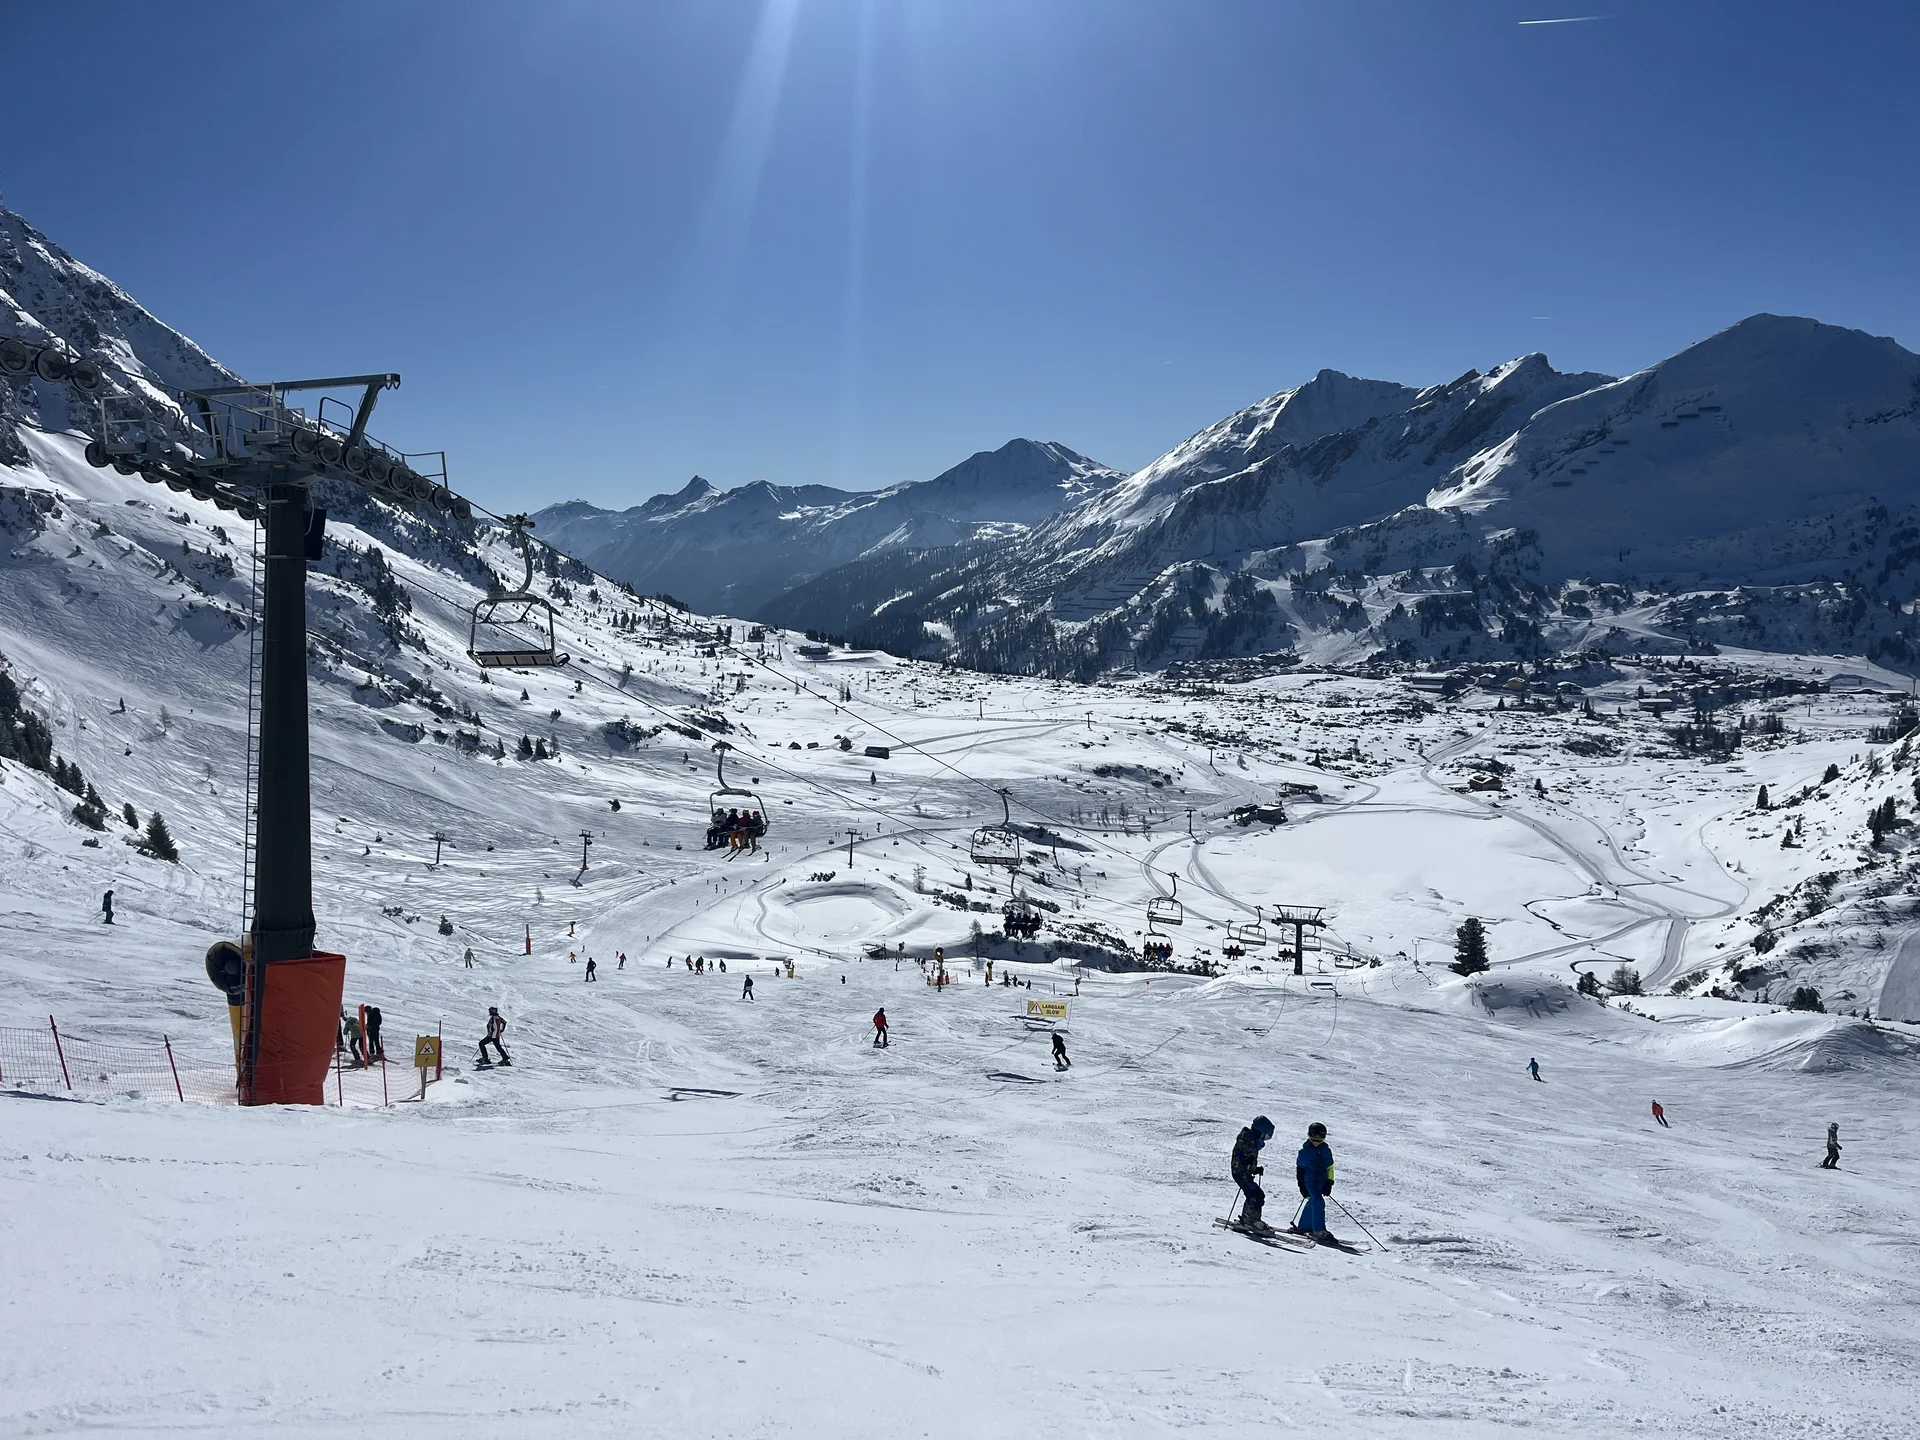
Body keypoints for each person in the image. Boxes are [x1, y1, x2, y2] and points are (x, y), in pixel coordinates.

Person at [1230, 1116, 1275, 1231]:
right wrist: (1247, 1164)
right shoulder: (1248, 1142)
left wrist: (1254, 1169)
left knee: (1253, 1194)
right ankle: (1252, 1221)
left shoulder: (1250, 1139)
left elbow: (1246, 1159)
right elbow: (1241, 1157)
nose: (1265, 1140)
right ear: (1261, 1133)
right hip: (1240, 1173)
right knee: (1256, 1195)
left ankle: (1248, 1219)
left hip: (1243, 1172)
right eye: (1266, 1136)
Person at [1295, 1122, 1335, 1238]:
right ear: (1309, 1136)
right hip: (1310, 1182)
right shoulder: (1305, 1152)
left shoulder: (1326, 1151)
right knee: (1318, 1201)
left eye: (1319, 1140)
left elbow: (1330, 1167)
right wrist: (1301, 1185)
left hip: (1321, 1182)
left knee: (1312, 1202)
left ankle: (1304, 1226)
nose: (1316, 1142)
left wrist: (1329, 1182)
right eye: (1313, 1139)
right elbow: (1300, 1169)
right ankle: (1318, 1229)